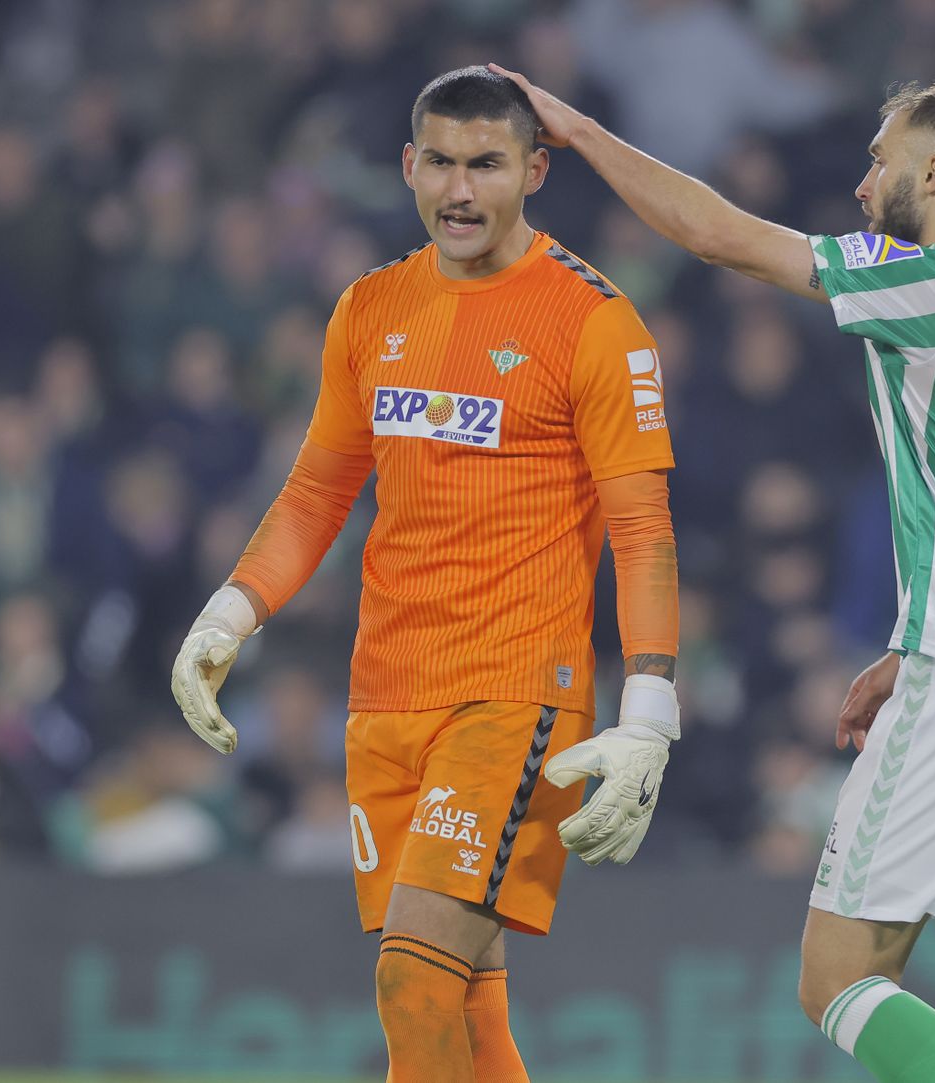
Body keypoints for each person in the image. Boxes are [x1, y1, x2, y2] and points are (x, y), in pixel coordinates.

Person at [495, 63, 935, 1083]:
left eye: (879, 162)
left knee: (836, 981)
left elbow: (722, 236)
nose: (863, 186)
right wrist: (913, 645)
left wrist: (582, 132)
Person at [169, 68, 681, 1083]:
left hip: (514, 691)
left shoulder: (593, 322)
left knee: (412, 980)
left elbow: (641, 527)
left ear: (533, 170)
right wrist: (229, 612)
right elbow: (316, 494)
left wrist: (650, 708)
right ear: (408, 167)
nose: (459, 187)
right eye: (440, 161)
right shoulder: (369, 309)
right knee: (469, 1008)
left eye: (485, 164)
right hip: (385, 695)